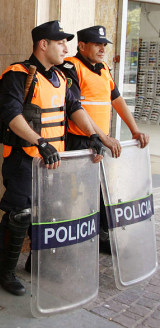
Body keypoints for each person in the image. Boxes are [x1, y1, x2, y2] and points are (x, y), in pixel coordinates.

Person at [0, 20, 105, 296]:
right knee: (20, 215)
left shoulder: (62, 77)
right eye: (60, 43)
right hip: (24, 158)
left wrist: (94, 135)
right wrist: (39, 141)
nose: (65, 48)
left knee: (51, 213)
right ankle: (5, 271)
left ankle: (37, 264)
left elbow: (74, 108)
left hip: (55, 161)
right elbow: (11, 115)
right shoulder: (18, 74)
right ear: (43, 45)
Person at [58, 25, 150, 253]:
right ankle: (66, 242)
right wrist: (103, 137)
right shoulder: (71, 66)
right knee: (73, 193)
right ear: (82, 46)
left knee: (101, 190)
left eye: (104, 45)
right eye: (97, 44)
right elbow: (75, 108)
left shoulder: (104, 69)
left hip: (100, 141)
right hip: (79, 140)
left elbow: (117, 101)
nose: (102, 49)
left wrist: (134, 129)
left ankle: (101, 237)